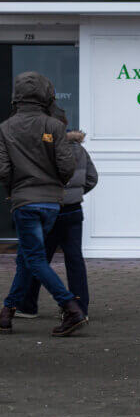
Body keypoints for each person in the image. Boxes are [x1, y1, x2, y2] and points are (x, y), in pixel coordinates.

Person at [0, 71, 87, 337]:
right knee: (27, 258)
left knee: (34, 259)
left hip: (25, 201)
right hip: (51, 204)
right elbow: (66, 166)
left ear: (18, 96)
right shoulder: (54, 126)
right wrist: (55, 184)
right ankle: (7, 312)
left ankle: (71, 308)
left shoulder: (6, 128)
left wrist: (14, 189)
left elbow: (3, 170)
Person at [17, 111, 98, 320]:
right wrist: (75, 194)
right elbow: (92, 178)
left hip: (49, 210)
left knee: (38, 259)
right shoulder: (79, 149)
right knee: (75, 261)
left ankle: (28, 306)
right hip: (74, 211)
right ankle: (81, 308)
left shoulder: (45, 149)